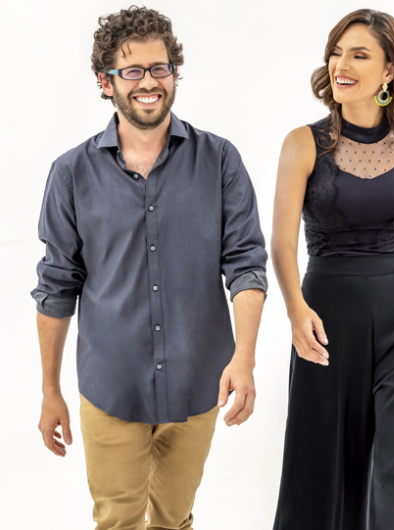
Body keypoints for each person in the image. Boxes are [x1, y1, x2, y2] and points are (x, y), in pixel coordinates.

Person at [30, 6, 267, 529]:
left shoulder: (220, 160)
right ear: (106, 81)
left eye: (160, 68)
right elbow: (56, 287)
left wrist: (245, 358)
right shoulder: (70, 174)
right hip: (111, 385)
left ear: (174, 72)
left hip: (199, 381)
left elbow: (247, 264)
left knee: (175, 520)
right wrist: (50, 390)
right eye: (132, 70)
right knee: (117, 522)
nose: (149, 82)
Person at [270, 9, 394, 530]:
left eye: (359, 55)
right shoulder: (303, 143)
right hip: (327, 321)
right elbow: (282, 242)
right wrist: (295, 311)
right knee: (324, 465)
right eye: (337, 53)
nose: (342, 65)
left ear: (388, 71)